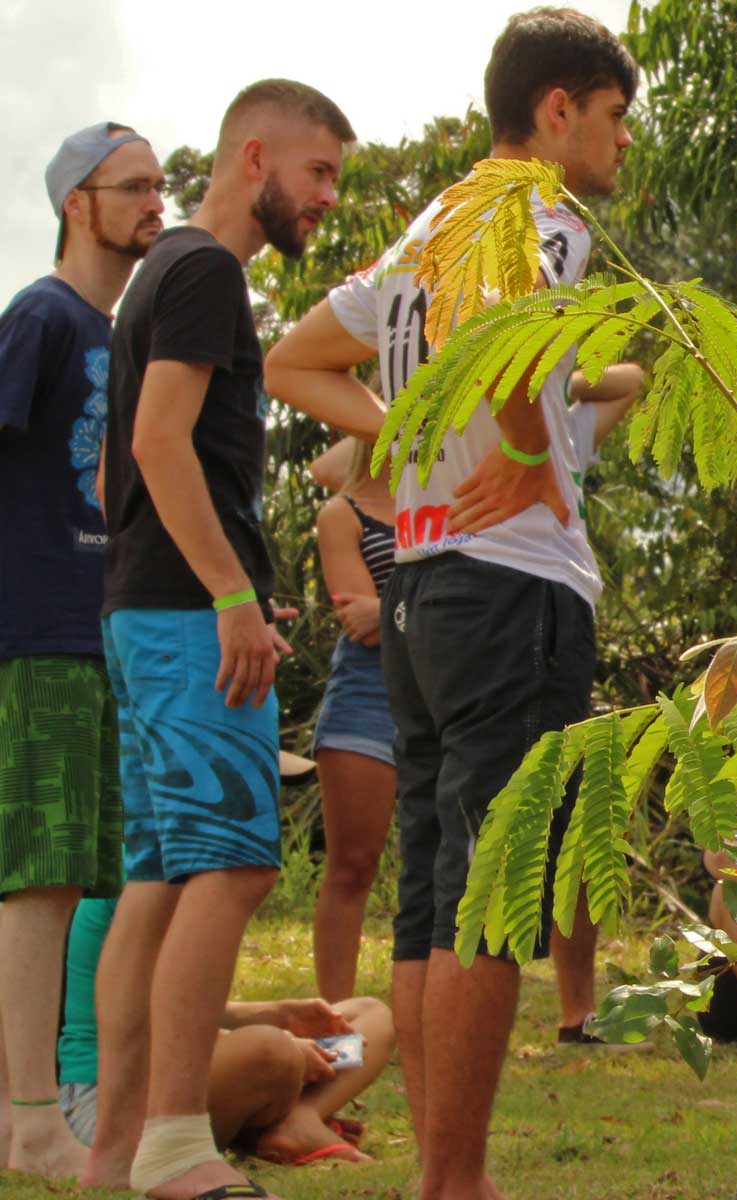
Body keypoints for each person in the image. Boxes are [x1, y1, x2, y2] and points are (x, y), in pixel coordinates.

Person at [261, 12, 636, 1196]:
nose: (624, 144)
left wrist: (415, 430)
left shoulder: (429, 228)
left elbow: (296, 360)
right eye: (617, 116)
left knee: (433, 891)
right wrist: (526, 447)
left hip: (421, 581)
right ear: (559, 109)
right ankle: (455, 1181)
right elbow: (513, 327)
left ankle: (444, 1174)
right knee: (495, 889)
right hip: (512, 581)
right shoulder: (540, 212)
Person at [80, 79, 355, 1200]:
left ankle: (113, 1154)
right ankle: (176, 1148)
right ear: (256, 157)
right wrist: (229, 594)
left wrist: (218, 584)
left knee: (158, 877)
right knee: (233, 865)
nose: (328, 198)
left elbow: (118, 473)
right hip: (185, 618)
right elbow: (154, 444)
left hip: (150, 612)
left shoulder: (163, 274)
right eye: (320, 173)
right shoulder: (203, 270)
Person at [0, 120, 162, 1180]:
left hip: (94, 635)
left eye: (162, 183)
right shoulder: (43, 319)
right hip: (37, 637)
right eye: (133, 186)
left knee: (68, 877)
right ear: (77, 203)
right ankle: (30, 1119)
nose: (157, 200)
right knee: (41, 881)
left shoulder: (119, 331)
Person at [60, 899, 394, 1168]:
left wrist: (281, 1013)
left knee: (371, 1015)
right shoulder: (146, 881)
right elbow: (142, 1021)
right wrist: (287, 1043)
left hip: (180, 1072)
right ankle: (271, 1122)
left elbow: (181, 1002)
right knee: (271, 1052)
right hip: (114, 1100)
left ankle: (300, 1116)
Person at [307, 437, 398, 1003]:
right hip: (367, 696)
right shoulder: (342, 513)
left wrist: (392, 612)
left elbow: (381, 614)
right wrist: (439, 610)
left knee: (449, 865)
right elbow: (360, 623)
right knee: (352, 866)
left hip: (444, 696)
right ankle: (336, 1014)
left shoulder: (450, 497)